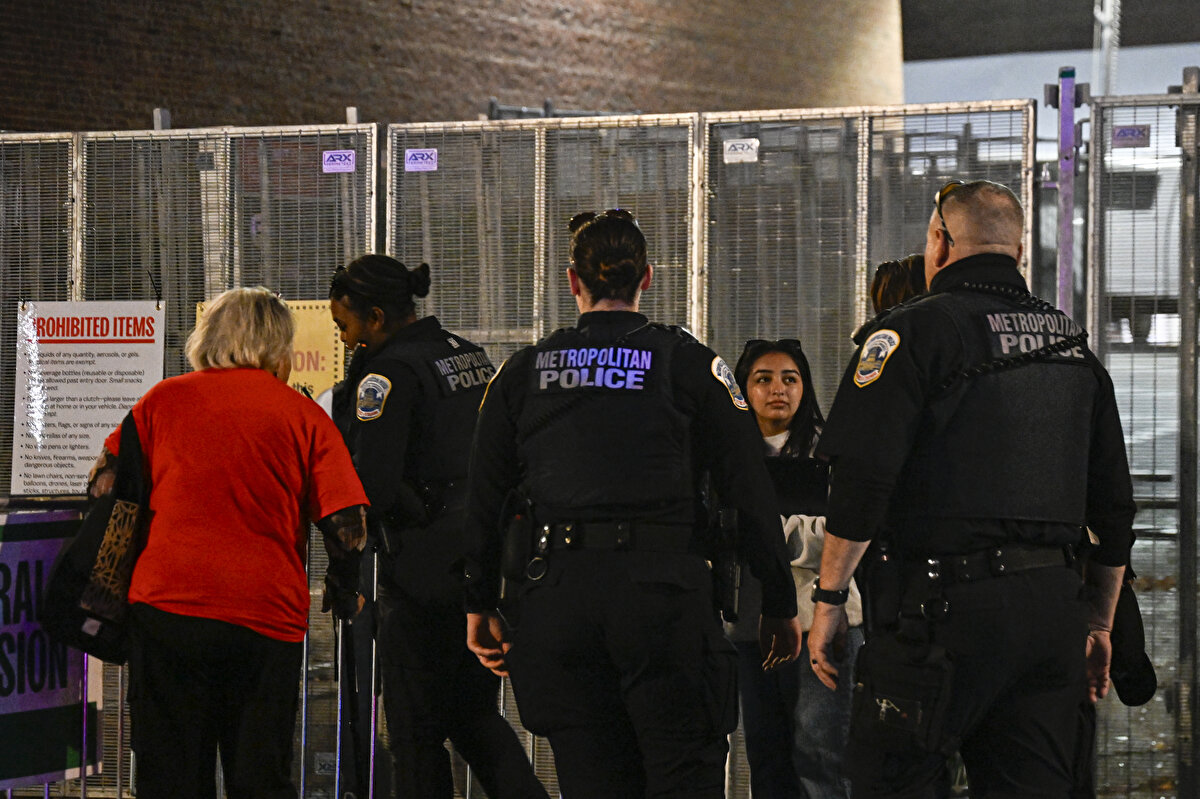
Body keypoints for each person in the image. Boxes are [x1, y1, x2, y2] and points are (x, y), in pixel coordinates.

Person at [807, 179, 1136, 797]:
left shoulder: (910, 333)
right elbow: (1115, 508)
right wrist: (1098, 622)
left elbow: (862, 481)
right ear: (1019, 251)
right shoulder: (1072, 345)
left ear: (939, 242)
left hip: (938, 616)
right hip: (1050, 619)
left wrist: (829, 600)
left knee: (894, 781)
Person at [462, 208, 803, 798]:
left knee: (591, 781)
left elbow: (484, 495)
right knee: (683, 776)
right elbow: (748, 488)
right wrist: (777, 600)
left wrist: (478, 602)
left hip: (559, 597)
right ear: (646, 277)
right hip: (663, 601)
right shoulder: (690, 363)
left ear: (573, 281)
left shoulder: (523, 372)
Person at [87, 286, 370, 799]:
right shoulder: (303, 416)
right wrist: (344, 586)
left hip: (166, 610)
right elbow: (346, 524)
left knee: (169, 776)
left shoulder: (160, 401)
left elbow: (105, 485)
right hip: (264, 617)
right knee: (259, 776)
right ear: (277, 346)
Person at [328, 254, 548, 799]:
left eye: (346, 325)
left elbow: (373, 487)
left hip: (421, 573)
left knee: (414, 731)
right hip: (480, 561)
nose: (346, 340)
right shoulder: (466, 355)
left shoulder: (386, 375)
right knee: (474, 717)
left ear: (376, 317)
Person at [729, 338, 863, 799]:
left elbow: (848, 534)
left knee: (820, 759)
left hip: (823, 620)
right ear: (744, 389)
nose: (778, 389)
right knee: (766, 758)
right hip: (752, 626)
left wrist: (765, 533)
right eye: (763, 379)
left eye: (790, 379)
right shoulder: (730, 457)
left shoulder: (830, 454)